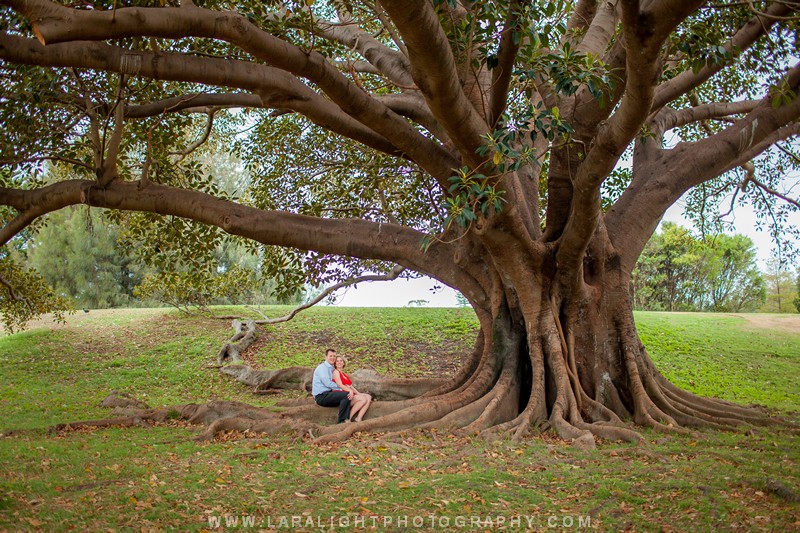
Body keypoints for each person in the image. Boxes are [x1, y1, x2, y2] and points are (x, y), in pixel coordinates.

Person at [312, 348, 351, 423]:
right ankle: (342, 421)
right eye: (330, 356)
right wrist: (343, 388)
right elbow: (328, 383)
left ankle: (347, 418)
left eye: (334, 356)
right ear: (325, 357)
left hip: (329, 393)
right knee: (346, 395)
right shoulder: (322, 368)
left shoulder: (332, 368)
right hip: (321, 396)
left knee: (347, 396)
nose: (333, 358)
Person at [332, 355, 372, 422]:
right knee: (363, 399)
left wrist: (358, 393)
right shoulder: (335, 372)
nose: (339, 362)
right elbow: (340, 384)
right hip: (343, 396)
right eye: (337, 361)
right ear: (335, 363)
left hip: (350, 394)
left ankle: (359, 418)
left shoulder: (344, 374)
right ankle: (348, 418)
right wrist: (352, 391)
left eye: (341, 361)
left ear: (344, 362)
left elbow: (351, 386)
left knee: (368, 397)